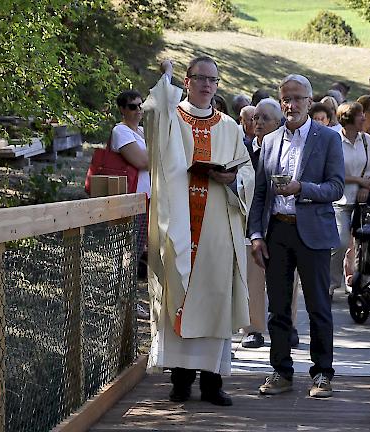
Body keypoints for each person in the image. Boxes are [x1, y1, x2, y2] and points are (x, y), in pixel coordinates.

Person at [143, 56, 255, 406]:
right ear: (188, 81)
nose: (207, 85)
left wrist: (232, 178)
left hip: (217, 225)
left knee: (214, 298)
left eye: (213, 80)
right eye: (200, 78)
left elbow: (247, 171)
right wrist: (165, 76)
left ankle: (212, 383)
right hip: (180, 221)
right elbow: (152, 116)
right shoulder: (171, 118)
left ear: (218, 85)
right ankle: (180, 381)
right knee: (180, 294)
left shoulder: (230, 127)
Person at [248, 74, 344, 398]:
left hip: (313, 231)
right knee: (278, 307)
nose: (291, 104)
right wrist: (257, 236)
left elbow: (336, 186)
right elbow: (260, 194)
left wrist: (302, 188)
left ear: (310, 100)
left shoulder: (328, 138)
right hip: (277, 231)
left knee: (318, 306)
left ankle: (322, 374)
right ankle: (281, 371)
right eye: (286, 98)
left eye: (298, 98)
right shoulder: (270, 141)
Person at [241, 98, 283, 349]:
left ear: (278, 123)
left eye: (265, 118)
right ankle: (253, 328)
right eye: (255, 117)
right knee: (252, 277)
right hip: (249, 219)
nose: (258, 122)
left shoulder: (287, 147)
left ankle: (286, 326)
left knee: (286, 275)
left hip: (281, 219)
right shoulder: (243, 148)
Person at [330, 102, 370, 292]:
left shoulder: (366, 139)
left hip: (362, 200)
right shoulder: (334, 140)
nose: (364, 119)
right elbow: (332, 172)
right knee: (340, 243)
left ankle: (359, 282)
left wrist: (367, 184)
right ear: (349, 119)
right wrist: (360, 180)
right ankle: (331, 283)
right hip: (340, 200)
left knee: (362, 245)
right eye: (360, 115)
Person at [112, 90, 152, 317]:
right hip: (132, 201)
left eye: (140, 106)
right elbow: (143, 161)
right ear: (122, 109)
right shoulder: (121, 131)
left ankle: (130, 299)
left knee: (139, 252)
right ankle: (125, 301)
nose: (137, 111)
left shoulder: (143, 132)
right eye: (132, 107)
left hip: (147, 200)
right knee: (131, 252)